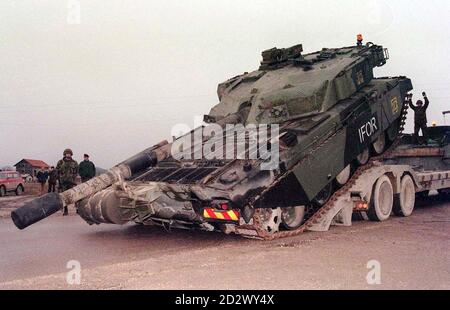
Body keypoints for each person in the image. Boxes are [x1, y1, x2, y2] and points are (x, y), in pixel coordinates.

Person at [56, 149, 79, 215]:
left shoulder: (74, 162)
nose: (68, 154)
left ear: (71, 154)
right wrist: (59, 179)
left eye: (69, 153)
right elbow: (57, 171)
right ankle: (65, 210)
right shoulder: (60, 162)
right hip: (63, 182)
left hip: (71, 181)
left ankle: (77, 208)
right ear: (64, 154)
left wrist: (73, 177)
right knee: (64, 196)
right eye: (67, 153)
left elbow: (77, 171)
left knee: (74, 195)